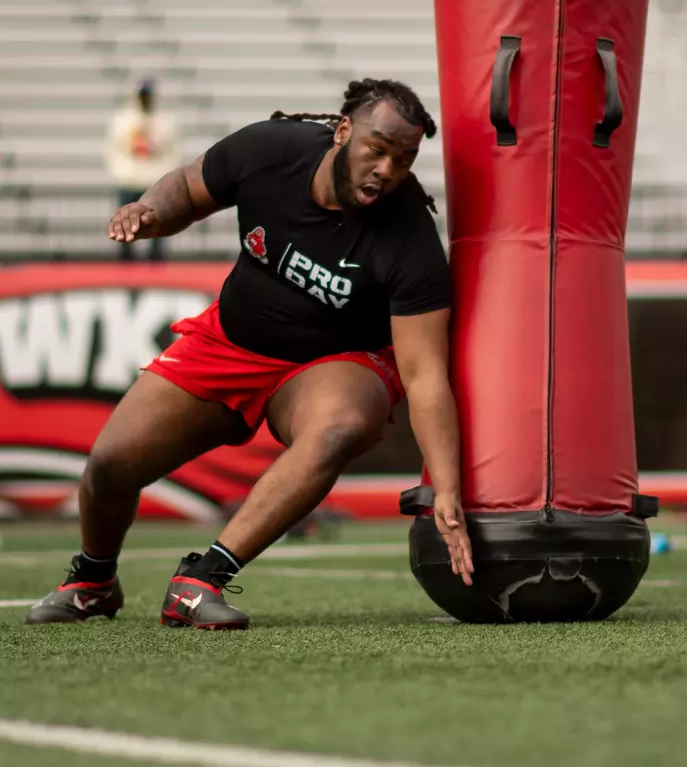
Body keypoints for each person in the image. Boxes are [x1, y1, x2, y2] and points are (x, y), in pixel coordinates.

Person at [27, 78, 473, 630]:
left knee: (340, 427)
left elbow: (425, 373)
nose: (386, 169)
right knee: (111, 466)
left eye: (402, 159)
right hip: (231, 341)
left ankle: (201, 579)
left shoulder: (408, 237)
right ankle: (93, 582)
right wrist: (148, 210)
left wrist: (446, 491)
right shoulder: (271, 149)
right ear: (342, 132)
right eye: (376, 149)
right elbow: (188, 189)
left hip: (334, 363)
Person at [104, 79, 181, 261]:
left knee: (157, 228)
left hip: (154, 182)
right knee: (125, 227)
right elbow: (113, 149)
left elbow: (173, 151)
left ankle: (156, 263)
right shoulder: (124, 121)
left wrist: (165, 175)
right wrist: (122, 173)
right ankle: (125, 263)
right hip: (129, 181)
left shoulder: (164, 122)